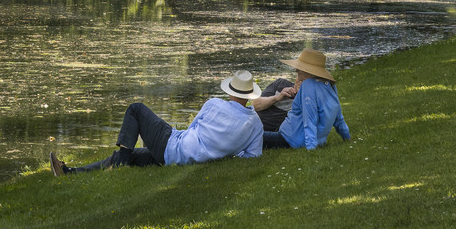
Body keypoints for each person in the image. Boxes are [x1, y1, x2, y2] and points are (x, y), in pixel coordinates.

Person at [49, 72, 292, 175]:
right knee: (134, 155)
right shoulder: (255, 126)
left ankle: (120, 163)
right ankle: (70, 172)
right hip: (184, 157)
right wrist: (221, 150)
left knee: (136, 109)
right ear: (250, 95)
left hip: (175, 149)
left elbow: (193, 128)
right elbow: (252, 157)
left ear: (231, 92)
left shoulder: (214, 104)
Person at [261, 48, 351, 150]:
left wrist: (311, 148)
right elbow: (339, 118)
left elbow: (310, 120)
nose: (298, 77)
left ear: (309, 72)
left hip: (290, 138)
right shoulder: (331, 86)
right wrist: (347, 137)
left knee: (253, 137)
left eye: (298, 71)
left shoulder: (308, 86)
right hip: (316, 140)